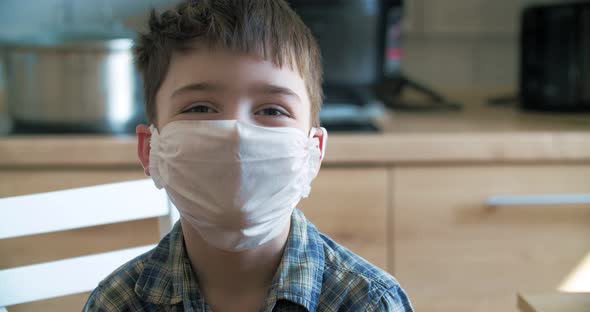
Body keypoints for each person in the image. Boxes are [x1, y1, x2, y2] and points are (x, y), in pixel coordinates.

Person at [84, 0, 413, 311]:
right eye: (200, 108)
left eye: (272, 110)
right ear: (150, 149)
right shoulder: (117, 303)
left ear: (313, 152)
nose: (236, 137)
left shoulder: (368, 304)